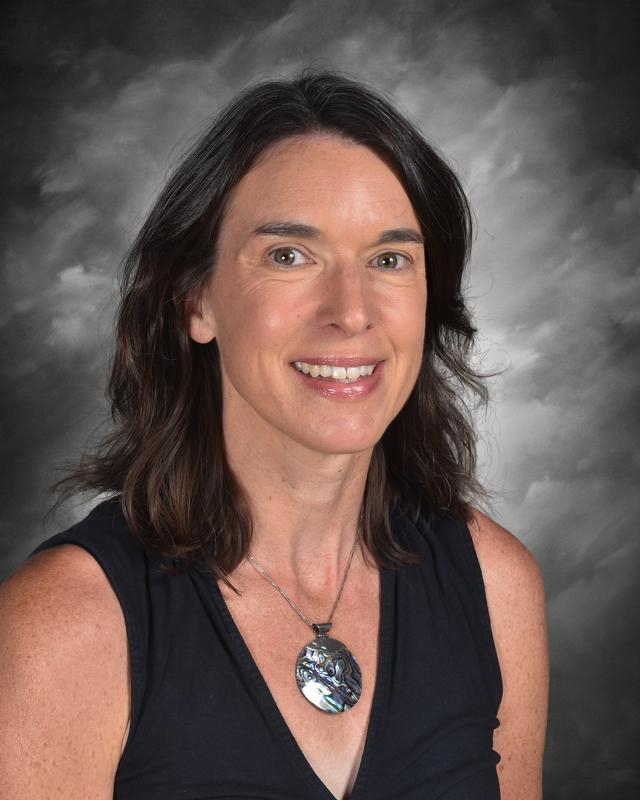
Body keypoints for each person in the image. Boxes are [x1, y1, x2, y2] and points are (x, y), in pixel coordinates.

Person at [0, 71, 548, 799]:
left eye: (389, 259)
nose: (351, 311)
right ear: (196, 301)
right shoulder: (64, 625)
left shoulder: (496, 584)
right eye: (290, 255)